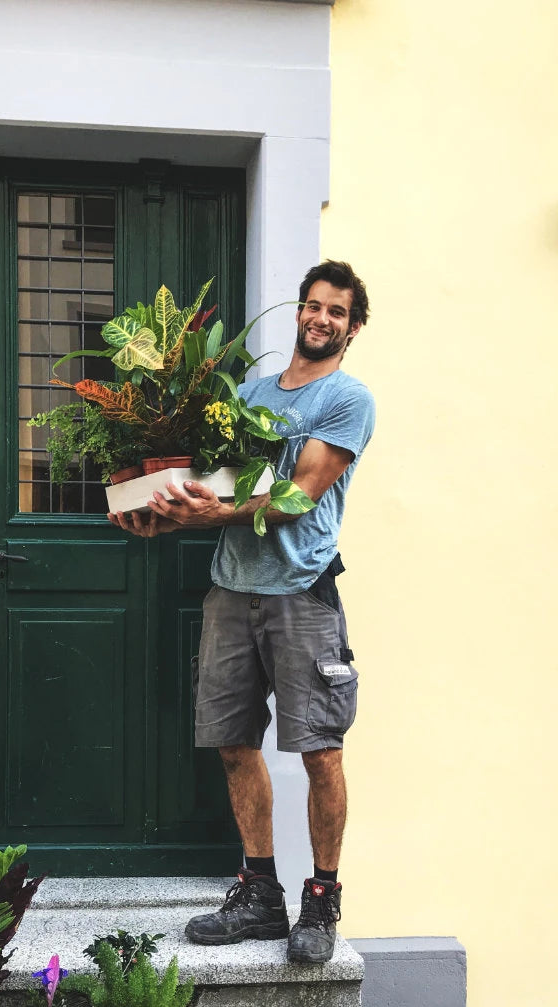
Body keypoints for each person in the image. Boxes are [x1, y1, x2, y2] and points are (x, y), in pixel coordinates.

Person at [108, 260, 375, 964]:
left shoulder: (347, 401)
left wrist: (217, 511)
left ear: (352, 327)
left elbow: (298, 495)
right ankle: (260, 895)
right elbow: (214, 491)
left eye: (336, 312)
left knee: (320, 751)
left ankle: (321, 900)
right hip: (232, 589)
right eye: (312, 305)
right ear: (299, 312)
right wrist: (159, 517)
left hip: (302, 593)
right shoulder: (250, 395)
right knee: (233, 743)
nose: (320, 319)